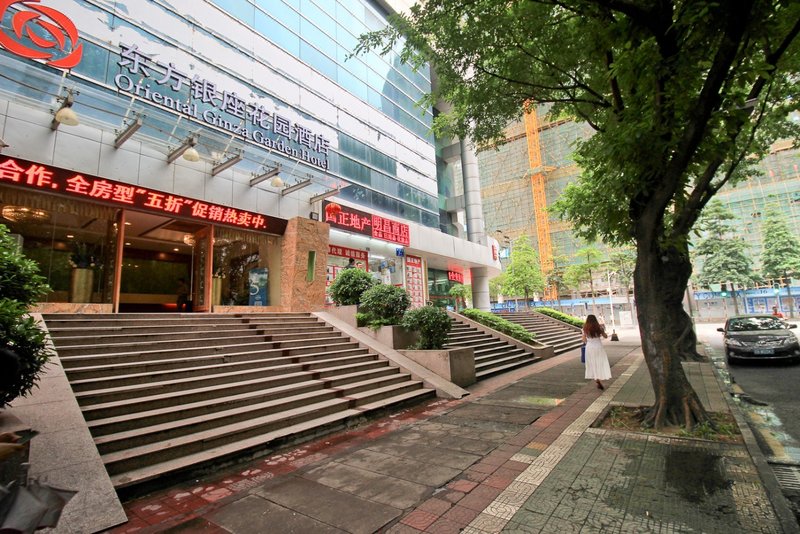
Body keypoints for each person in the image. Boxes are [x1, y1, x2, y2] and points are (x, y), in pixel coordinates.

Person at [583, 314, 612, 389]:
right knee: (600, 362)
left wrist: (588, 342)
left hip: (589, 347)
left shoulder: (585, 328)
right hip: (598, 346)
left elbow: (583, 339)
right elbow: (605, 336)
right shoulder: (599, 327)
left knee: (592, 363)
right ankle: (600, 376)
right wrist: (602, 331)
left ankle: (596, 378)